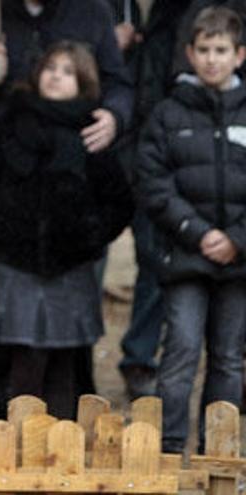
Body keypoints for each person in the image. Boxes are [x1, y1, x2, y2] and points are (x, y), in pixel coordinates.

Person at [0, 0, 133, 419]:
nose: (56, 77)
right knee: (5, 327)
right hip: (6, 206)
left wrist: (114, 117)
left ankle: (68, 427)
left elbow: (119, 84)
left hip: (75, 222)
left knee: (72, 337)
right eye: (51, 71)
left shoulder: (92, 13)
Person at [138, 6, 246, 453]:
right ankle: (168, 448)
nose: (212, 59)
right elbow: (153, 181)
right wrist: (198, 232)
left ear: (239, 55)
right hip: (186, 256)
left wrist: (236, 240)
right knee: (180, 351)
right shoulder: (168, 114)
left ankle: (217, 450)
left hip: (239, 261)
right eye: (204, 50)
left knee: (228, 358)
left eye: (221, 50)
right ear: (189, 53)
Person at [105, 0, 192, 400]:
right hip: (106, 141)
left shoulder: (183, 12)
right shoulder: (106, 9)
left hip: (161, 152)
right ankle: (69, 362)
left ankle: (139, 359)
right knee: (87, 259)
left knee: (155, 257)